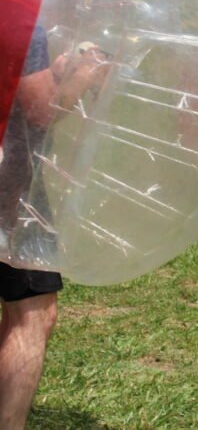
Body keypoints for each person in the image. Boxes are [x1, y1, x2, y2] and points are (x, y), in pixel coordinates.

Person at [1, 29, 110, 429]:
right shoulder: (17, 10)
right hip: (11, 193)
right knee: (31, 314)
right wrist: (85, 75)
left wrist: (54, 72)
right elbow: (40, 111)